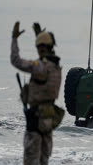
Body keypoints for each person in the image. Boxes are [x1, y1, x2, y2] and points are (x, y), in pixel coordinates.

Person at [10, 21, 62, 165]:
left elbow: (16, 61)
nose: (39, 49)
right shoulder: (56, 66)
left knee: (31, 160)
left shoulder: (40, 67)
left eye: (40, 46)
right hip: (48, 122)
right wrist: (40, 36)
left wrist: (14, 39)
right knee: (43, 161)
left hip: (35, 121)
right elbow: (47, 55)